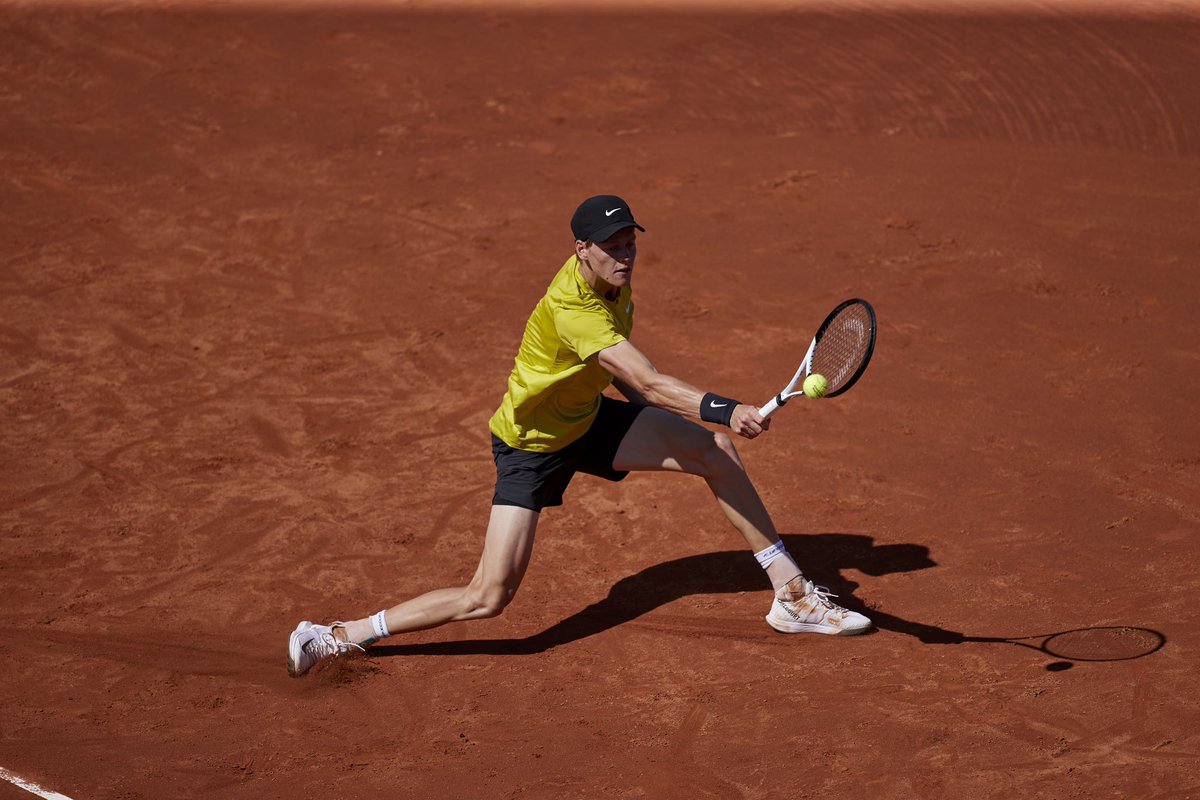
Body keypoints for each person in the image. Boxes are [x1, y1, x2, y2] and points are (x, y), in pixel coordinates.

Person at [287, 195, 870, 677]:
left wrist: (699, 427)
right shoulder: (572, 307)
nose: (625, 255)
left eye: (630, 243)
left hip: (587, 420)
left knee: (712, 450)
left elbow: (633, 388)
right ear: (581, 250)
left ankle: (791, 596)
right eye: (612, 248)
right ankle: (341, 633)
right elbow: (644, 377)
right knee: (488, 597)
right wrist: (724, 408)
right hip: (531, 446)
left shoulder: (617, 286)